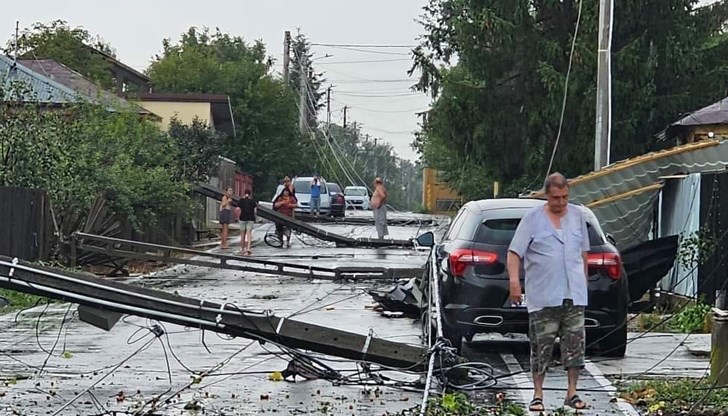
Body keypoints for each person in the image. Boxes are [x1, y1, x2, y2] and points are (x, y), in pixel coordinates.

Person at [506, 173, 590, 411]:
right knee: (541, 346)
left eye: (564, 197)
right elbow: (514, 253)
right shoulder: (532, 219)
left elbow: (583, 252)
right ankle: (538, 393)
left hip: (573, 294)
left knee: (575, 345)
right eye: (556, 198)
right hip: (543, 295)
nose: (561, 202)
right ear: (547, 195)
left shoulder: (577, 216)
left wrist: (583, 281)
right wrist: (515, 282)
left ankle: (572, 391)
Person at [238, 189, 257, 256]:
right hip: (250, 219)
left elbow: (238, 209)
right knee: (249, 234)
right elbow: (255, 211)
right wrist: (255, 217)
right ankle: (248, 248)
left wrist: (238, 217)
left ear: (244, 193)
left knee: (242, 234)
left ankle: (242, 248)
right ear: (250, 194)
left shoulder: (241, 201)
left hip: (242, 218)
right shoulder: (253, 201)